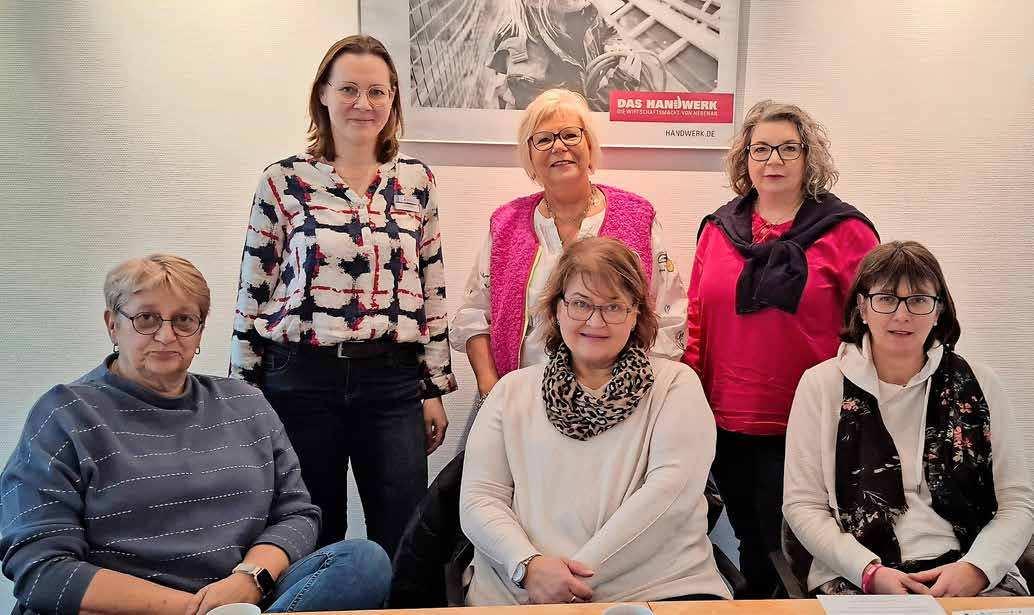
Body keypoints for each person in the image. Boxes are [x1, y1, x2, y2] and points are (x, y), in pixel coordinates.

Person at [0, 254, 391, 615]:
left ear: (200, 330)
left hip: (240, 598)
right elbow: (42, 567)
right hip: (128, 608)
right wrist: (193, 610)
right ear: (112, 324)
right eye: (146, 319)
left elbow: (296, 514)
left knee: (363, 562)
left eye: (184, 320)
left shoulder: (246, 403)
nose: (166, 335)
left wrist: (248, 580)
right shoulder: (64, 414)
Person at [230, 34, 456, 555]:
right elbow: (253, 289)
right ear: (323, 94)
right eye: (349, 89)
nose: (363, 103)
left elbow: (432, 286)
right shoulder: (283, 181)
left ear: (393, 99)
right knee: (309, 533)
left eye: (377, 91)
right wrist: (244, 393)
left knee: (404, 536)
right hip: (300, 379)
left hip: (392, 381)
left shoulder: (416, 181)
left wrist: (434, 387)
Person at [460, 236, 730, 604]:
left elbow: (671, 497)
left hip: (656, 590)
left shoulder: (675, 386)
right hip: (522, 591)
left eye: (613, 306)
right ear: (556, 308)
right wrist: (528, 566)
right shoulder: (510, 392)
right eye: (580, 303)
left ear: (636, 314)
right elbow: (479, 498)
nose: (595, 320)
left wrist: (570, 581)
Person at [682, 99, 880, 597]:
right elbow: (697, 321)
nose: (774, 160)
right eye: (761, 149)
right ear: (745, 158)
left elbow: (870, 329)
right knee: (752, 543)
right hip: (726, 421)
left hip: (810, 422)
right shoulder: (717, 229)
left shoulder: (847, 231)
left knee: (796, 550)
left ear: (809, 157)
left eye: (789, 148)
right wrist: (688, 405)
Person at [783, 241, 1034, 596]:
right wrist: (870, 573)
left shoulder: (981, 383)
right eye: (886, 299)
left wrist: (976, 569)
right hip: (858, 574)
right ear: (862, 307)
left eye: (918, 300)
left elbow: (1017, 503)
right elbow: (803, 506)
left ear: (938, 310)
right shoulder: (821, 385)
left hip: (970, 570)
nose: (902, 315)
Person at [450, 88, 686, 434]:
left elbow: (669, 315)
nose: (558, 147)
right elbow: (474, 315)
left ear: (589, 144)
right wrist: (492, 390)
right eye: (543, 139)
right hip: (520, 408)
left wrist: (636, 397)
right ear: (529, 155)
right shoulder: (505, 223)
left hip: (618, 411)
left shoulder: (637, 217)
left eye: (570, 135)